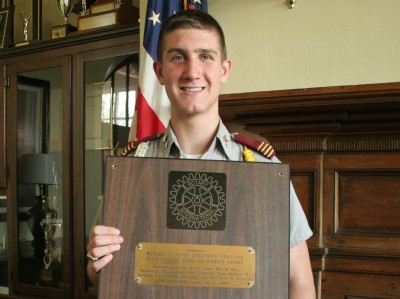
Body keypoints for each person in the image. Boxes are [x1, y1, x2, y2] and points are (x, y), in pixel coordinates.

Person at [87, 9, 316, 298]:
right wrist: (97, 264)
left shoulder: (263, 168)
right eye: (178, 56)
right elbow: (100, 275)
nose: (192, 71)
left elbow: (301, 284)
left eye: (205, 56)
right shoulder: (130, 168)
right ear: (159, 71)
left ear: (224, 69)